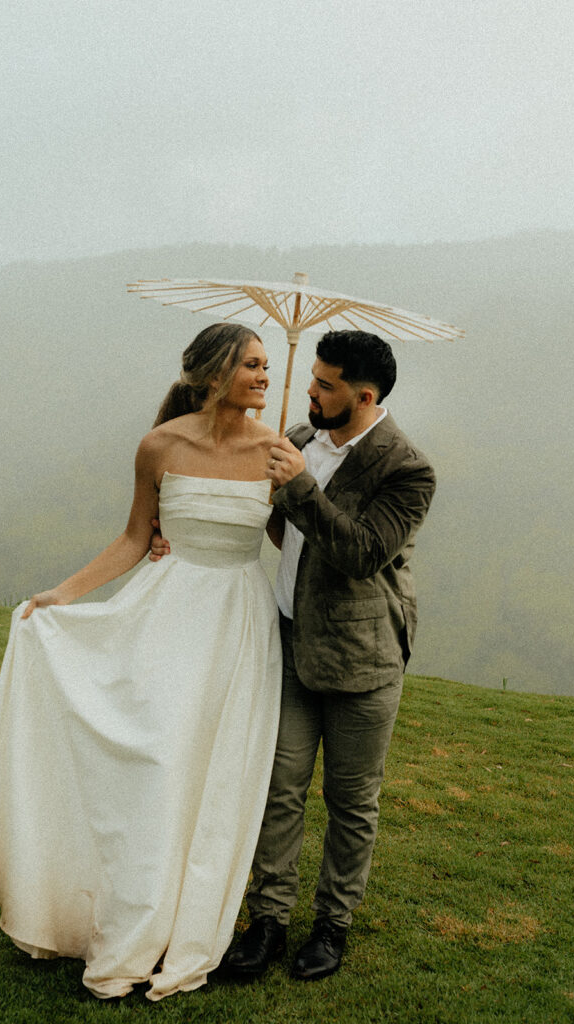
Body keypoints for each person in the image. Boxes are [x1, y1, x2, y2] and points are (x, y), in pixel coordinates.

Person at [0, 323, 283, 1002]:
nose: (263, 375)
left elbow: (295, 544)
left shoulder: (278, 451)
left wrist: (298, 485)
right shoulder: (159, 446)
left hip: (238, 626)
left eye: (266, 365)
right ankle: (129, 924)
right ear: (214, 371)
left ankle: (180, 929)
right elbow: (137, 536)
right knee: (156, 765)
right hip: (167, 616)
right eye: (252, 365)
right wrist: (64, 593)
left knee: (211, 777)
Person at [221, 329, 436, 981]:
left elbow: (361, 554)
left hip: (363, 659)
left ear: (363, 395)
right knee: (279, 789)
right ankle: (267, 922)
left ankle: (331, 927)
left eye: (324, 384)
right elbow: (279, 530)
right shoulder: (296, 438)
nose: (309, 392)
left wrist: (297, 489)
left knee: (350, 800)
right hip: (288, 638)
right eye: (310, 379)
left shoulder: (406, 468)